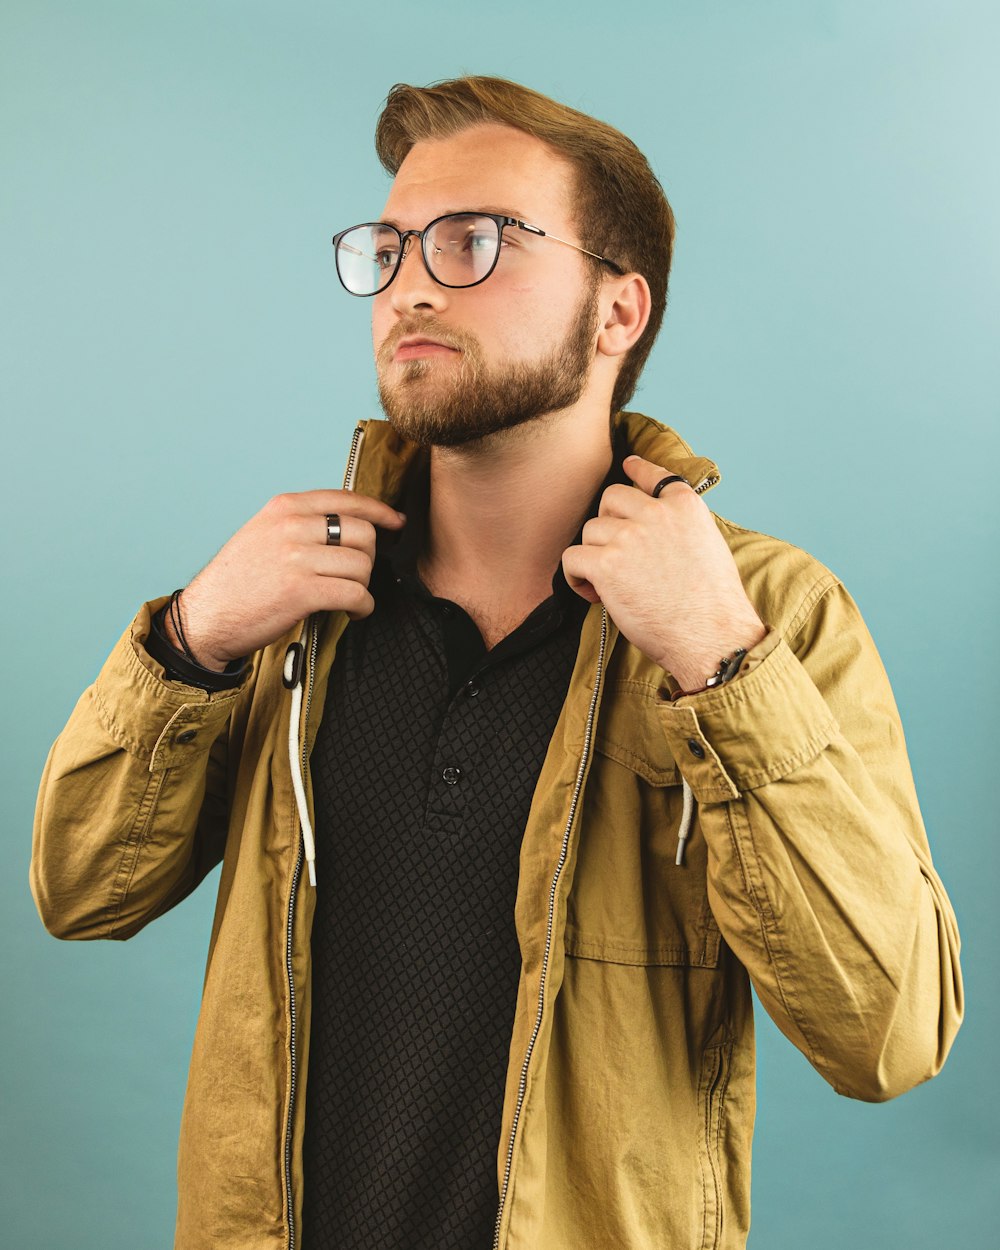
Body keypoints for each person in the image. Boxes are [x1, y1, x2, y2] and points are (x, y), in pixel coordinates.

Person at [31, 75, 963, 1250]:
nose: (410, 281)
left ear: (617, 311)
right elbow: (82, 890)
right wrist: (191, 642)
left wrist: (722, 667)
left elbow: (888, 1032)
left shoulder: (767, 613)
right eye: (389, 244)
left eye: (476, 240)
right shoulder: (290, 605)